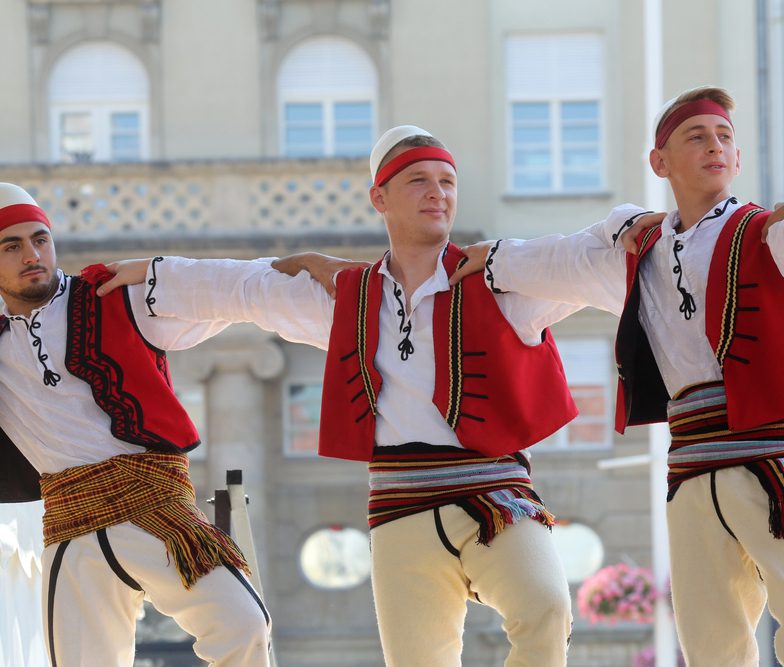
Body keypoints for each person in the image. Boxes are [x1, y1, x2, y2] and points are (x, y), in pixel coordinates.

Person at [99, 125, 578, 667]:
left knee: (546, 608)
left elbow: (583, 260)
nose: (437, 193)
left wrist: (632, 230)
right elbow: (245, 287)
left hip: (494, 493)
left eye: (447, 181)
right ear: (380, 198)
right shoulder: (350, 297)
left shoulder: (500, 279)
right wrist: (154, 276)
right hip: (401, 504)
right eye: (419, 180)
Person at [450, 86, 784, 667]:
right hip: (691, 470)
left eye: (724, 138)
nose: (715, 147)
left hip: (775, 461)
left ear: (738, 158)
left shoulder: (774, 234)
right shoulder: (641, 254)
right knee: (709, 643)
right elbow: (564, 259)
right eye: (697, 137)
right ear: (659, 162)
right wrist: (495, 258)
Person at [0, 183, 271, 666]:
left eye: (40, 239)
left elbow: (229, 292)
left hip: (156, 508)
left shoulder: (114, 295)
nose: (32, 255)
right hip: (71, 528)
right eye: (11, 246)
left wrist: (299, 265)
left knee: (243, 624)